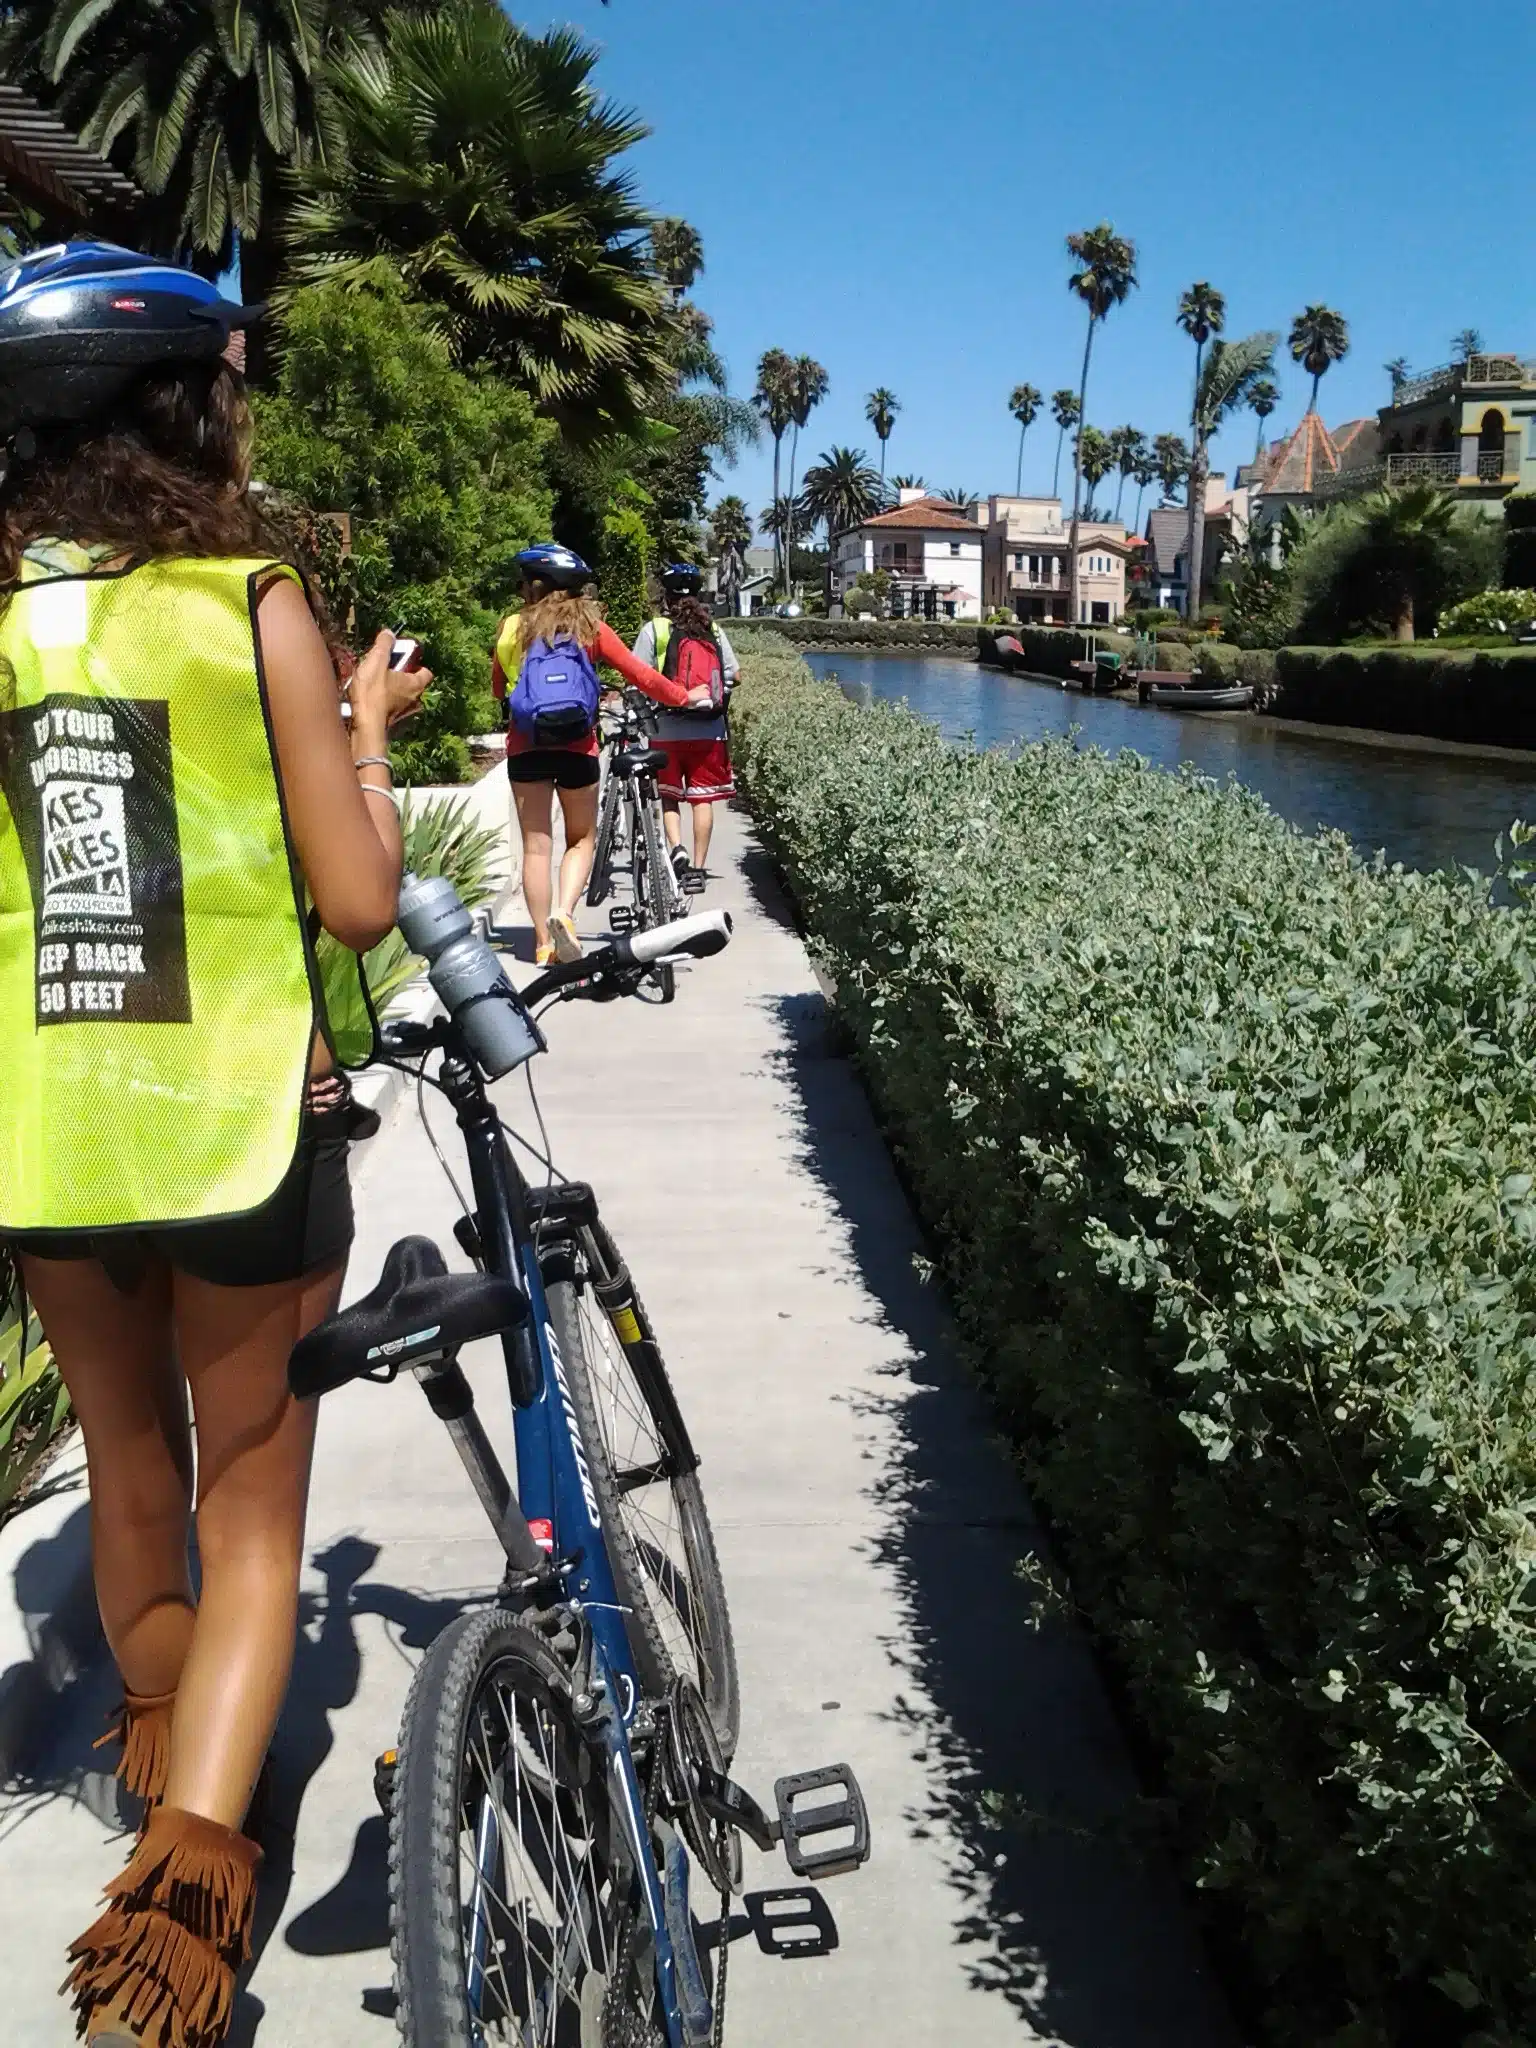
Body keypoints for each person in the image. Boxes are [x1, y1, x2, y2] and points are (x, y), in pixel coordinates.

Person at [0, 242, 428, 2047]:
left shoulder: (3, 610)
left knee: (130, 1482)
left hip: (46, 1133)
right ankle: (172, 1935)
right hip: (244, 1124)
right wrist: (368, 743)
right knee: (260, 1523)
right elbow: (351, 900)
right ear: (193, 401)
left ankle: (181, 1744)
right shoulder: (249, 600)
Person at [492, 545, 706, 964]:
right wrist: (683, 697)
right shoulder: (591, 627)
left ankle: (542, 944)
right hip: (577, 747)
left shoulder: (510, 628)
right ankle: (565, 915)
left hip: (525, 748)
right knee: (580, 839)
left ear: (535, 586)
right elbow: (640, 674)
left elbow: (499, 689)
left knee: (537, 847)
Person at [633, 564, 740, 883]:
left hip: (666, 728)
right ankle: (698, 867)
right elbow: (735, 673)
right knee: (702, 798)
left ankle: (676, 849)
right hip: (709, 729)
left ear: (665, 596)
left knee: (669, 794)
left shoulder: (655, 630)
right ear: (697, 594)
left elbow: (640, 676)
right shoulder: (714, 629)